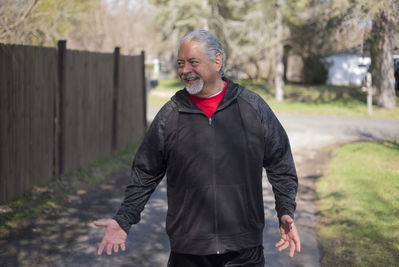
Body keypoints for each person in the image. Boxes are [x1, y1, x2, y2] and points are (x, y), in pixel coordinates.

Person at [94, 30, 301, 266]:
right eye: (181, 64)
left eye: (193, 62)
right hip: (188, 252)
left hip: (244, 250)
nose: (184, 71)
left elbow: (281, 164)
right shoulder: (170, 114)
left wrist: (285, 210)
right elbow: (145, 172)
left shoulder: (252, 108)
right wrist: (124, 219)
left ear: (217, 61)